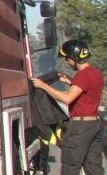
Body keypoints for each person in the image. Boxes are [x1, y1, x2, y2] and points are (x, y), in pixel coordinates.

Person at [31, 39, 105, 175]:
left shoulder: (82, 76)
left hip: (81, 128)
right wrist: (70, 81)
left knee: (70, 167)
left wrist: (43, 86)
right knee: (94, 167)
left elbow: (67, 98)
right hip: (95, 124)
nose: (66, 61)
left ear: (74, 57)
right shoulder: (95, 74)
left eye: (67, 58)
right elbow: (87, 94)